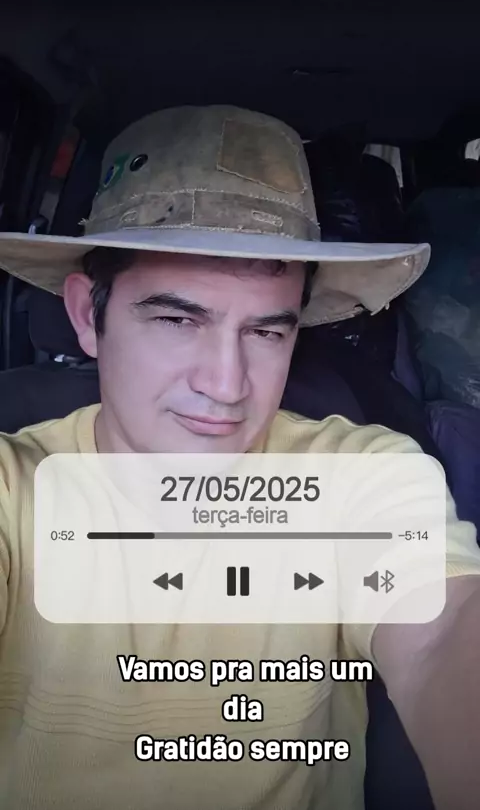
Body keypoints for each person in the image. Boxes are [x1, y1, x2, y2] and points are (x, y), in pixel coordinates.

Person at [0, 105, 478, 810]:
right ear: (85, 315)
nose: (226, 386)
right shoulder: (15, 487)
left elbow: (441, 637)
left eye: (266, 332)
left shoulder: (360, 474)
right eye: (177, 319)